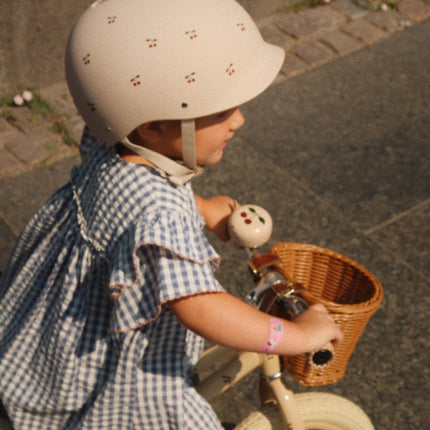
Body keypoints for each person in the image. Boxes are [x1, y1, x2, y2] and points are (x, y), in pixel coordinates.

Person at [0, 0, 343, 429]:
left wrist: (200, 208)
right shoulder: (159, 217)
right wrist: (295, 337)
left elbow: (139, 198)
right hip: (124, 375)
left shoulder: (112, 146)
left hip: (55, 331)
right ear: (152, 127)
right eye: (220, 112)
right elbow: (203, 309)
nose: (238, 121)